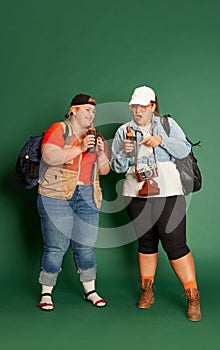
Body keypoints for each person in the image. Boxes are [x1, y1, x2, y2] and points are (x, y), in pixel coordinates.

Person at [110, 86, 201, 321]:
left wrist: (161, 141)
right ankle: (147, 291)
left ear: (152, 106)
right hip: (136, 191)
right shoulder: (124, 131)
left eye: (142, 106)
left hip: (168, 190)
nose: (137, 110)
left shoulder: (167, 124)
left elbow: (184, 149)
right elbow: (116, 167)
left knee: (175, 244)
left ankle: (192, 296)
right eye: (134, 105)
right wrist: (124, 153)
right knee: (146, 241)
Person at [37, 93, 110, 311]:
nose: (92, 114)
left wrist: (99, 153)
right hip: (56, 196)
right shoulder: (59, 129)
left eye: (94, 111)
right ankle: (46, 292)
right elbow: (49, 157)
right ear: (74, 110)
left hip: (88, 194)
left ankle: (90, 290)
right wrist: (79, 147)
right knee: (56, 247)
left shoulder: (96, 136)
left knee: (86, 247)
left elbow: (105, 170)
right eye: (87, 110)